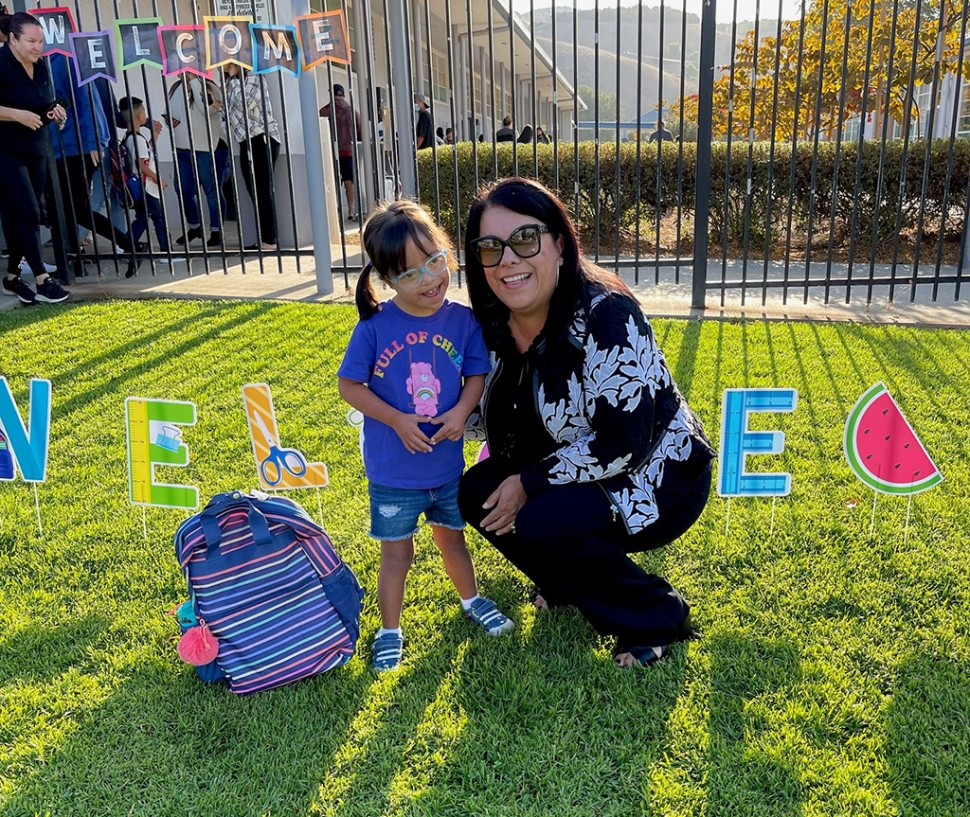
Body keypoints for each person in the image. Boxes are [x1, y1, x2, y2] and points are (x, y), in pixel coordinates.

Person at [458, 178, 716, 668]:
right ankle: (566, 581)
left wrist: (529, 482)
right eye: (491, 248)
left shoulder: (608, 316)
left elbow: (625, 441)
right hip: (565, 464)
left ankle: (657, 614)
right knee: (477, 491)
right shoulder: (492, 323)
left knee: (542, 518)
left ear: (559, 244)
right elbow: (486, 418)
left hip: (655, 476)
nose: (508, 259)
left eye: (525, 240)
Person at [337, 199, 514, 672]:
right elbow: (348, 385)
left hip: (446, 467)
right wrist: (396, 419)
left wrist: (461, 410)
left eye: (435, 262)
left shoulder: (462, 321)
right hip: (393, 473)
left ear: (448, 253)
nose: (430, 280)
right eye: (410, 274)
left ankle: (471, 599)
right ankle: (390, 629)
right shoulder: (375, 327)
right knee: (397, 554)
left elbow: (475, 372)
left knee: (453, 540)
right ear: (387, 280)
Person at [0, 11, 69, 304]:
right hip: (5, 150)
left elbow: (41, 107)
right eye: (31, 41)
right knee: (28, 210)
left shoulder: (41, 68)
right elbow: (17, 110)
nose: (38, 47)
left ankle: (13, 278)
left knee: (21, 217)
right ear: (13, 39)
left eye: (41, 41)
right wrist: (16, 115)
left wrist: (54, 111)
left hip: (36, 148)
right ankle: (42, 279)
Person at [224, 63, 280, 249]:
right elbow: (232, 114)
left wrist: (233, 78)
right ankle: (264, 238)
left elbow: (246, 102)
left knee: (263, 190)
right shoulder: (232, 82)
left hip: (261, 138)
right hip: (244, 141)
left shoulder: (255, 76)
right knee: (253, 190)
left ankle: (270, 241)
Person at [168, 76, 229, 247]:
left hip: (208, 148)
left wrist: (194, 82)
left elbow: (207, 109)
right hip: (183, 148)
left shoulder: (208, 86)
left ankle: (217, 231)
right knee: (183, 190)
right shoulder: (176, 87)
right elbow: (172, 111)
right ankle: (195, 227)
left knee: (212, 191)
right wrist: (169, 120)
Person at [121, 96, 179, 271]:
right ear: (139, 116)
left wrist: (155, 135)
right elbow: (141, 164)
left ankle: (125, 244)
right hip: (147, 187)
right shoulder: (137, 139)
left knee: (143, 219)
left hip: (140, 186)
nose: (146, 114)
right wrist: (157, 178)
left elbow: (147, 153)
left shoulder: (130, 137)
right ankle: (165, 252)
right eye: (144, 111)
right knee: (159, 218)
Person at [319, 84, 362, 220]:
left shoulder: (324, 111)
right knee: (349, 181)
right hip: (348, 152)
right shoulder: (353, 112)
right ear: (343, 94)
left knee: (332, 181)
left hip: (331, 152)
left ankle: (333, 210)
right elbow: (360, 135)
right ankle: (351, 210)